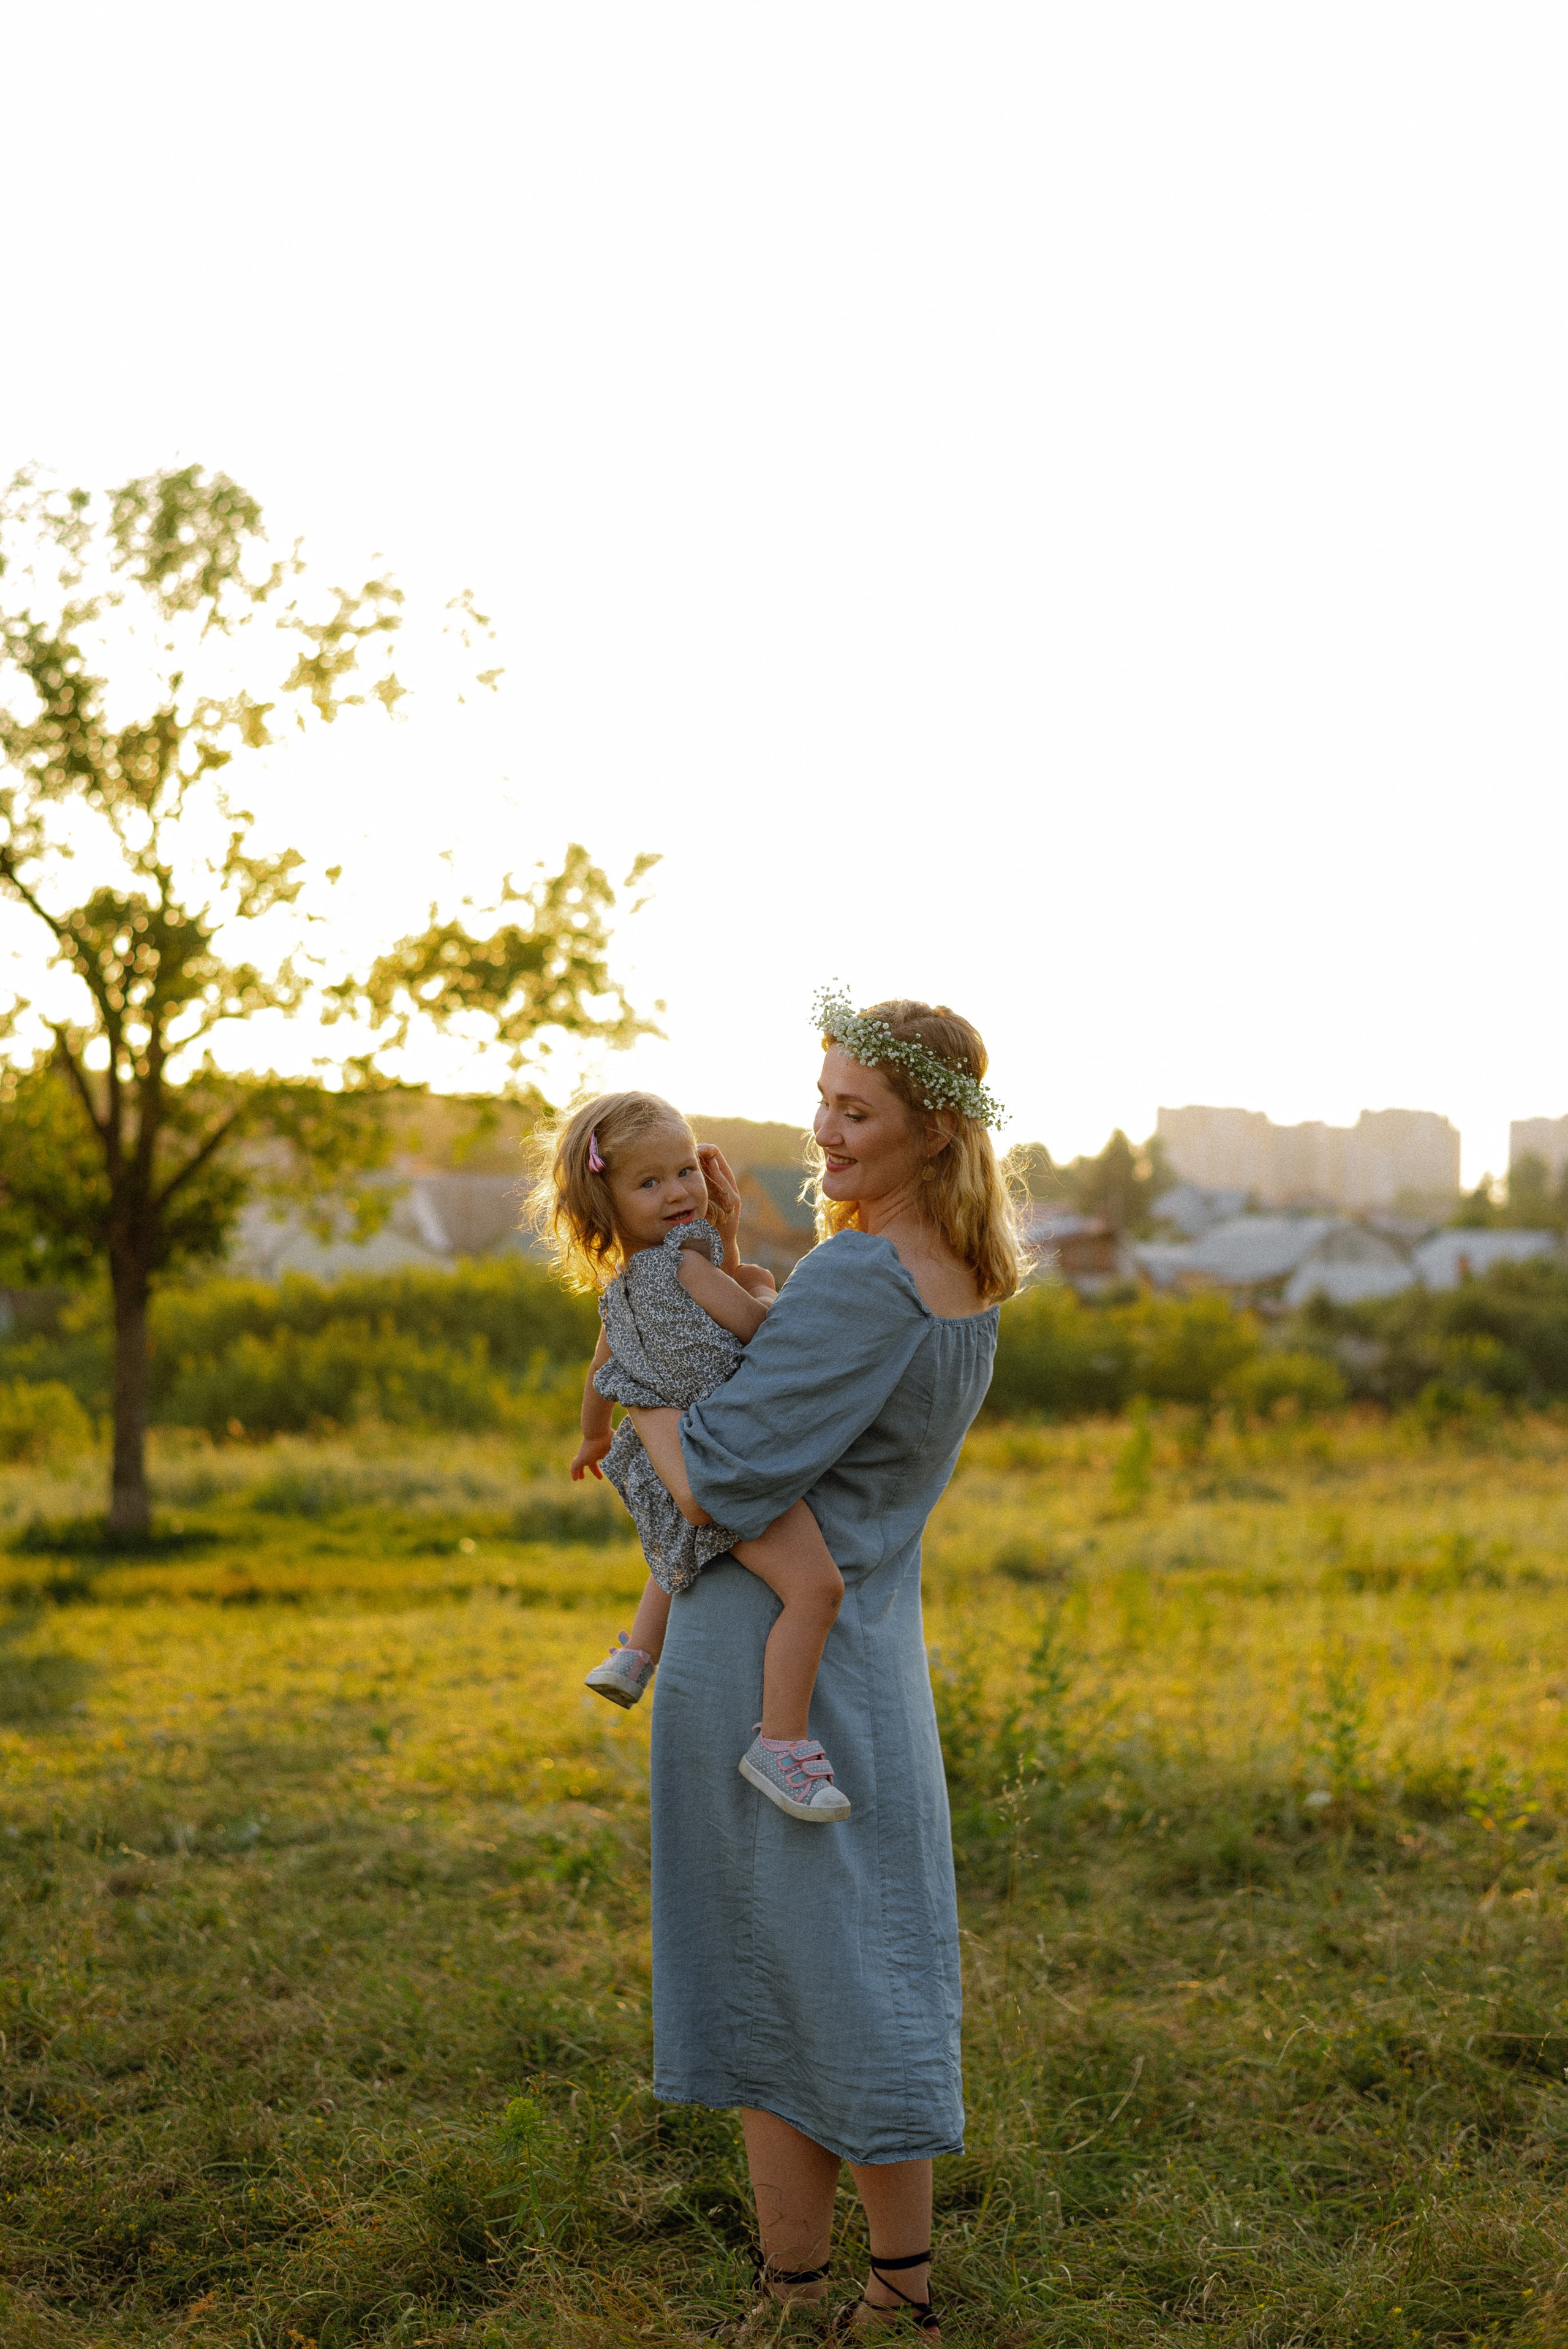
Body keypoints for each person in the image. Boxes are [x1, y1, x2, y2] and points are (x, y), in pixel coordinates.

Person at [627, 992, 1016, 2341]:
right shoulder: (959, 1273)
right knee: (849, 1962)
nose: (825, 1130)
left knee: (786, 1975)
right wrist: (733, 1263)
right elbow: (808, 1394)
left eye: (857, 1110)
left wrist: (643, 1391)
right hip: (872, 1656)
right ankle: (843, 2286)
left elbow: (722, 1473)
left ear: (934, 1129)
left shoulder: (862, 1273)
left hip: (766, 1667)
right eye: (824, 1100)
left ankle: (852, 2293)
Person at [534, 1093, 853, 1819]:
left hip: (662, 1457)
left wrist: (592, 1437)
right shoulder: (684, 1267)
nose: (678, 1192)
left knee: (679, 1550)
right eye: (649, 1183)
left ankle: (635, 1655)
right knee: (816, 1590)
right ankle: (781, 1743)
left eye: (684, 1170)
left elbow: (600, 1373)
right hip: (725, 1452)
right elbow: (757, 1331)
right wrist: (763, 1285)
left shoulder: (619, 1291)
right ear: (607, 1203)